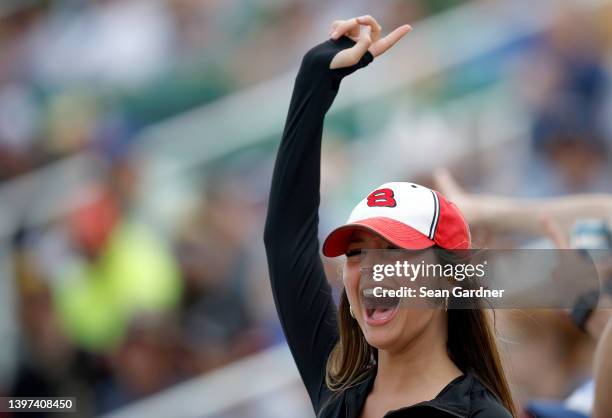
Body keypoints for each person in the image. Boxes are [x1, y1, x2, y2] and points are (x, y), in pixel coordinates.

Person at [264, 16, 515, 418]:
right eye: (357, 253)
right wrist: (316, 76)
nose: (371, 269)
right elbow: (285, 239)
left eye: (395, 249)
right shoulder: (337, 391)